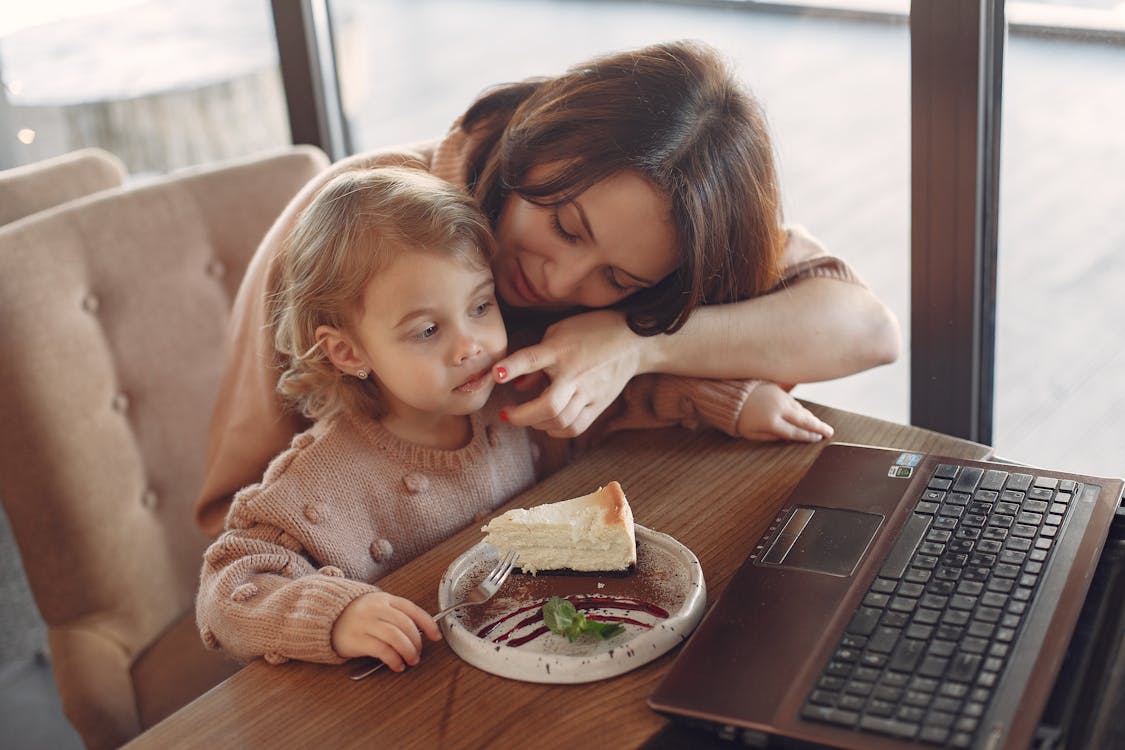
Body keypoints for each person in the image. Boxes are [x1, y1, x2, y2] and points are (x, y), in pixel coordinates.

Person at [195, 39, 900, 537]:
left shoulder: (673, 229)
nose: (558, 280)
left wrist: (633, 345)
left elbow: (866, 331)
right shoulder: (356, 228)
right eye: (564, 225)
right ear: (534, 144)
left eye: (618, 279)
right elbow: (241, 509)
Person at [195, 167, 536, 670]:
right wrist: (335, 615)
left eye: (481, 305)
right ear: (348, 352)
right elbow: (226, 587)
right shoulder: (314, 481)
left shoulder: (514, 400)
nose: (470, 346)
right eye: (426, 331)